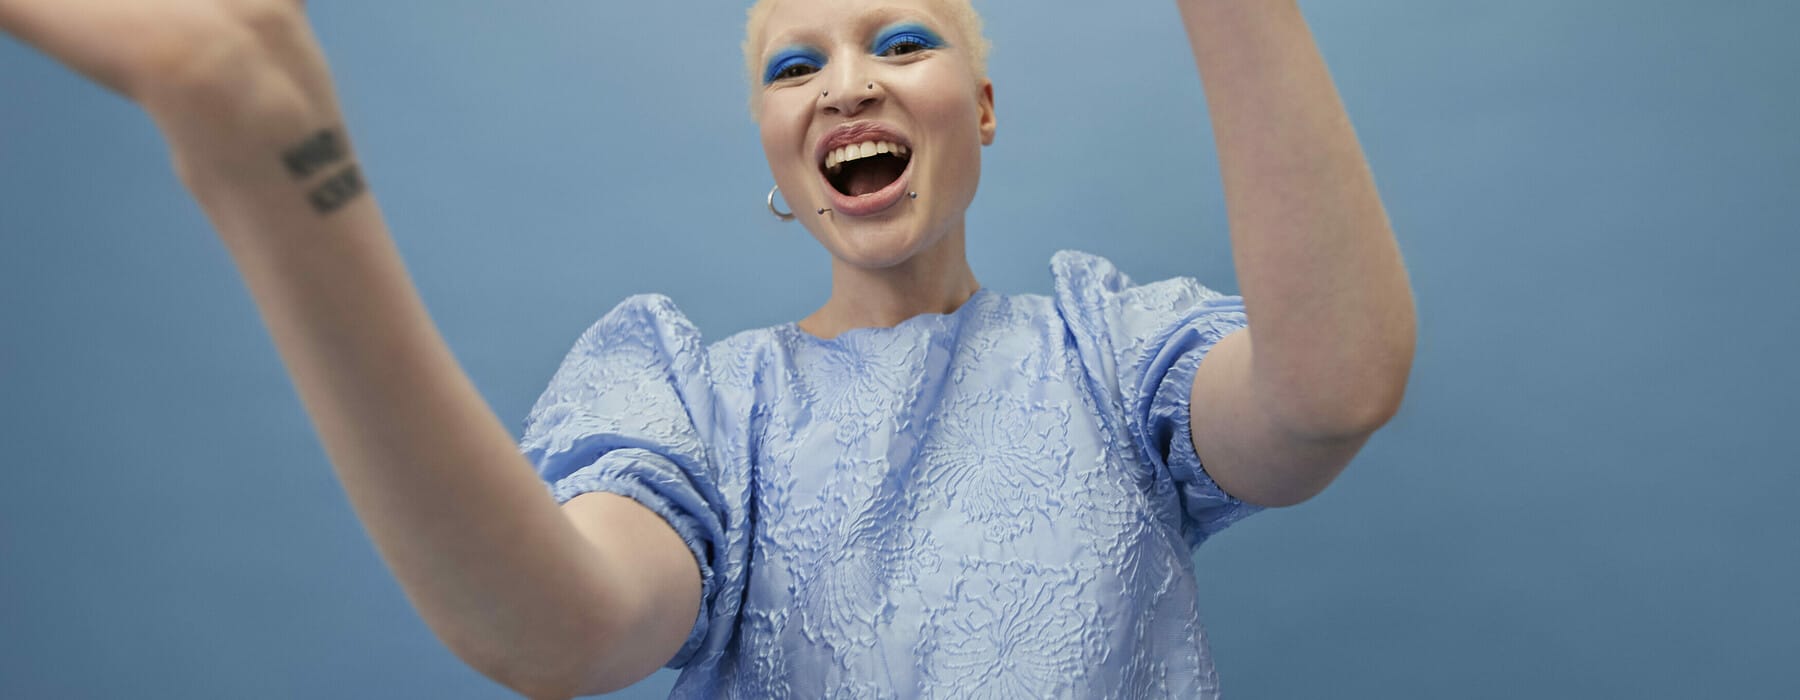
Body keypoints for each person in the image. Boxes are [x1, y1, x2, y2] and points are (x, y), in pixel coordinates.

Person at [0, 0, 1416, 697]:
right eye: (793, 65)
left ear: (983, 110)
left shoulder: (1109, 354)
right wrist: (275, 176)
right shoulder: (695, 400)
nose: (845, 80)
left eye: (901, 38)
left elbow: (1330, 389)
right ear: (772, 151)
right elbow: (559, 623)